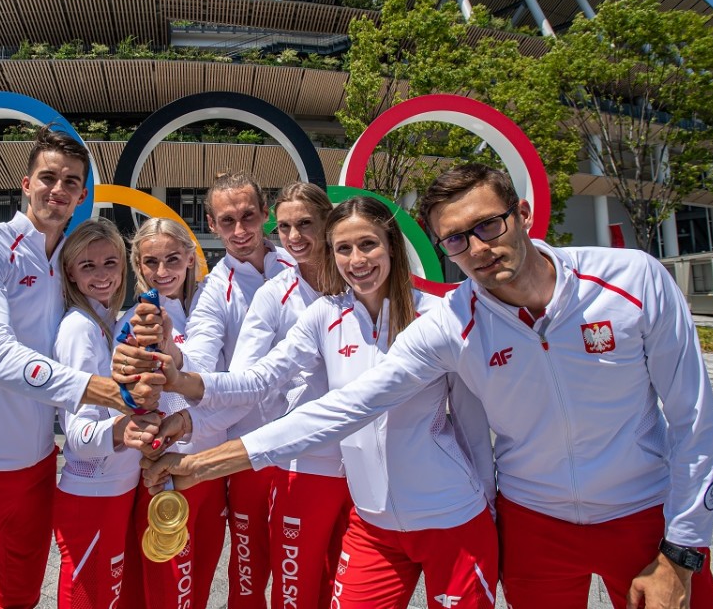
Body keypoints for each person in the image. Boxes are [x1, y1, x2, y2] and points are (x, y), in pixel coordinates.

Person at [142, 163, 713, 609]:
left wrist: (684, 549)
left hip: (635, 515)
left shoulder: (633, 279)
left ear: (520, 213)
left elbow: (693, 417)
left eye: (488, 225)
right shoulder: (451, 318)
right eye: (456, 240)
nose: (477, 248)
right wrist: (198, 443)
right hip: (529, 521)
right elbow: (342, 404)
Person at [129, 195, 498, 608]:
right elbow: (258, 379)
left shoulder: (437, 317)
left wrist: (491, 508)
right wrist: (183, 384)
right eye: (344, 248)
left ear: (391, 244)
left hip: (450, 516)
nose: (357, 260)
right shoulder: (325, 315)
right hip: (373, 520)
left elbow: (471, 424)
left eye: (368, 244)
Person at [0, 127, 163, 609]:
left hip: (36, 465)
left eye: (72, 182)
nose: (59, 189)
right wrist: (107, 391)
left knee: (21, 598)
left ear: (81, 195)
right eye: (48, 177)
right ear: (26, 183)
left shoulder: (65, 263)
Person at [120, 171, 294, 609]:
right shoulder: (216, 292)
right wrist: (172, 361)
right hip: (244, 453)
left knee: (304, 577)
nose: (240, 230)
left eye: (248, 216)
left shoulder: (299, 267)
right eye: (227, 220)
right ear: (212, 226)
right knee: (247, 577)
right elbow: (200, 357)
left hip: (313, 451)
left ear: (266, 214)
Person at [116, 217, 213, 609]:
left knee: (200, 579)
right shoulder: (134, 323)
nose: (161, 272)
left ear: (191, 259)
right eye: (150, 262)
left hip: (211, 464)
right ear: (138, 266)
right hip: (166, 471)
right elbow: (132, 400)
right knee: (170, 585)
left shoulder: (208, 311)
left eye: (172, 259)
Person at [53, 218, 139, 609]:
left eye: (110, 263)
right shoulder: (80, 329)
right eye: (88, 266)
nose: (102, 275)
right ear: (70, 272)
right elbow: (79, 436)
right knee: (89, 598)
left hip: (116, 488)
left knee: (109, 595)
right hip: (92, 492)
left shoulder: (107, 321)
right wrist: (133, 426)